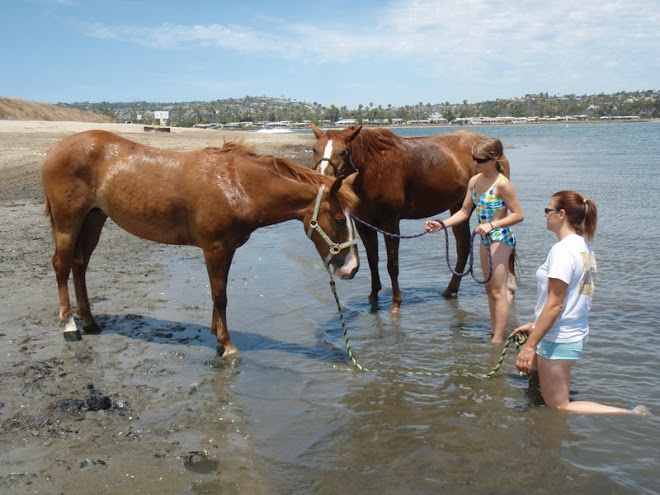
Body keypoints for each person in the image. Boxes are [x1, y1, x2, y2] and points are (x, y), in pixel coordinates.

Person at [512, 191, 650, 415]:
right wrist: (534, 324)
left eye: (548, 210)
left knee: (559, 405)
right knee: (539, 388)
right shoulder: (583, 247)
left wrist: (529, 346)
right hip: (571, 331)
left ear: (561, 214)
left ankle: (631, 414)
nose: (544, 215)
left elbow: (556, 304)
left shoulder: (563, 251)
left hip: (559, 337)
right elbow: (570, 299)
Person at [425, 137, 524, 342]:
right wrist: (442, 224)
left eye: (480, 160)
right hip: (484, 239)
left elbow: (518, 215)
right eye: (474, 159)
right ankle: (493, 332)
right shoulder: (474, 181)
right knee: (489, 289)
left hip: (500, 238)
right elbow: (464, 212)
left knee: (499, 290)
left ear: (494, 159)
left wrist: (492, 225)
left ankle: (497, 340)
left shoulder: (502, 184)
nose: (475, 163)